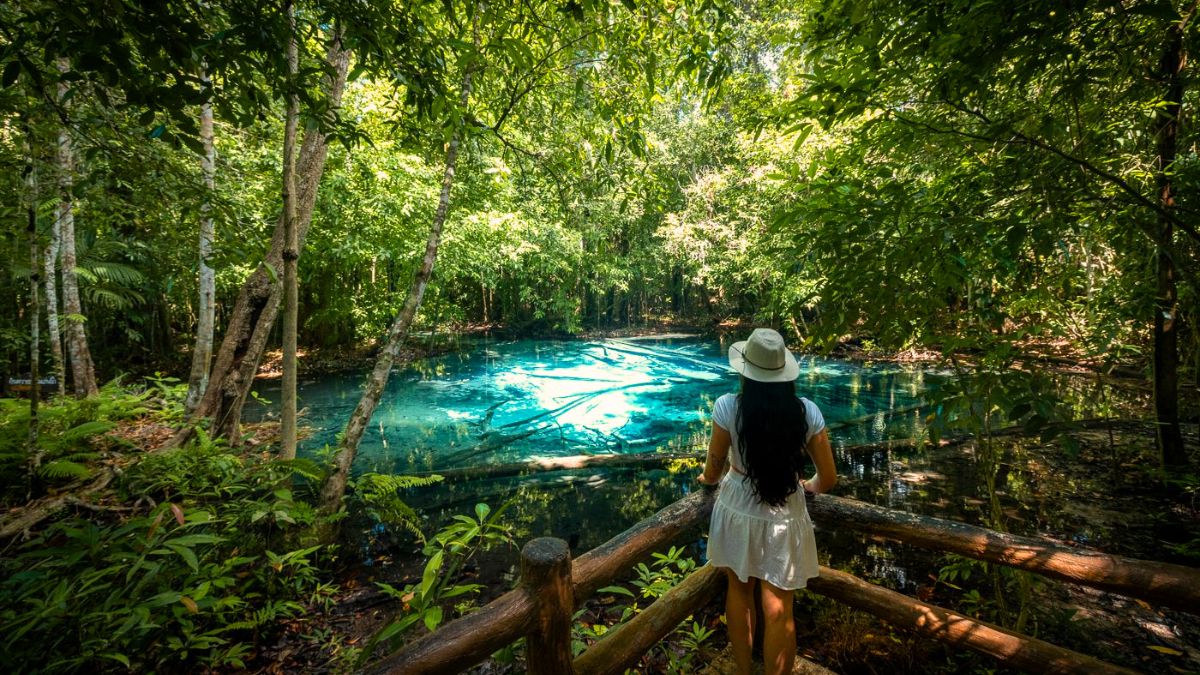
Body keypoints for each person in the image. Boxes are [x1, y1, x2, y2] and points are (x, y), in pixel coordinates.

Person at [697, 327, 838, 675]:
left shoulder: (728, 407)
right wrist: (809, 486)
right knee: (779, 605)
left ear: (747, 371)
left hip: (737, 506)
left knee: (739, 591)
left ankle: (743, 670)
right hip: (785, 511)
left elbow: (714, 467)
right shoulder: (807, 413)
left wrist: (705, 480)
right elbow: (829, 478)